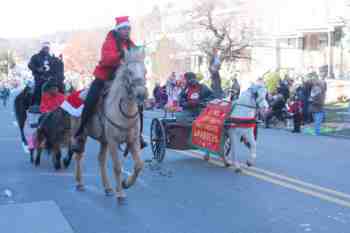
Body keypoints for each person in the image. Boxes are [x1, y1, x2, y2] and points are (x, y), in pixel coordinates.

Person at [72, 16, 147, 153]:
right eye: (124, 28)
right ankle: (80, 133)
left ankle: (138, 135)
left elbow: (136, 58)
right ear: (118, 30)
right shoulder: (109, 41)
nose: (127, 31)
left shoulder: (130, 44)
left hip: (123, 81)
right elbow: (106, 59)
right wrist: (121, 55)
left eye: (128, 28)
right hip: (105, 78)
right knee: (90, 99)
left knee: (138, 102)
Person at [28, 42, 53, 106]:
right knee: (38, 87)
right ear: (42, 48)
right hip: (39, 77)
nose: (47, 49)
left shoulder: (51, 57)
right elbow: (30, 65)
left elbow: (54, 66)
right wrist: (37, 69)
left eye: (48, 48)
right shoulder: (36, 57)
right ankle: (37, 103)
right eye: (45, 47)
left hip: (49, 77)